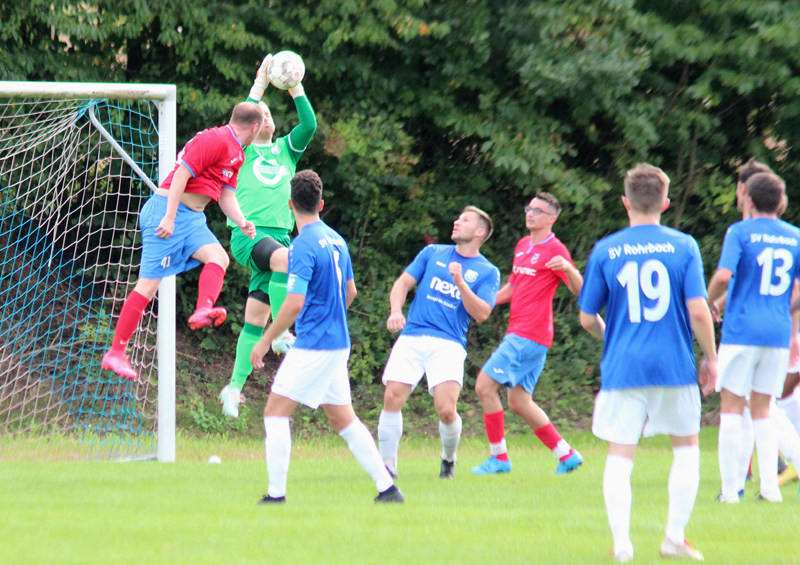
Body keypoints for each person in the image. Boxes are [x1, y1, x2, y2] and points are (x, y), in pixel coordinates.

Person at [579, 163, 717, 561]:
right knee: (687, 448)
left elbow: (587, 317)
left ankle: (622, 544)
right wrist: (711, 356)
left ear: (625, 202)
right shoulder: (684, 245)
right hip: (673, 365)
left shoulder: (606, 248)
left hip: (624, 367)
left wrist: (613, 339)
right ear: (666, 202)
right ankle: (674, 537)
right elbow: (699, 311)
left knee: (621, 454)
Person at [250, 170, 402, 504]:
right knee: (342, 418)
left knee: (274, 412)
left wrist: (265, 340)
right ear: (321, 204)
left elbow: (293, 303)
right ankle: (387, 489)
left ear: (290, 205)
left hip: (316, 344)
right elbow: (351, 291)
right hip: (338, 342)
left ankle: (276, 496)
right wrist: (328, 315)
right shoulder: (336, 240)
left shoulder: (301, 245)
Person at [101, 103, 263, 379]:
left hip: (193, 221)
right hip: (168, 213)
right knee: (149, 286)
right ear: (255, 128)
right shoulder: (215, 139)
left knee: (219, 258)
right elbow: (181, 175)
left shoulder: (238, 152)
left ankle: (203, 310)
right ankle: (115, 353)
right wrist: (169, 217)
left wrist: (242, 221)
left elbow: (226, 196)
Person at [220, 53, 318, 418]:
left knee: (254, 320)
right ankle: (280, 335)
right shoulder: (239, 149)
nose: (264, 118)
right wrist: (260, 84)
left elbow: (309, 123)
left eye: (268, 115)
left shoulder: (285, 151)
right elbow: (245, 113)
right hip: (250, 236)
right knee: (288, 261)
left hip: (278, 241)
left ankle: (233, 388)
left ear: (274, 125)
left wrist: (295, 86)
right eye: (259, 116)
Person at [377, 207, 500, 480]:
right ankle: (387, 467)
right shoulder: (432, 253)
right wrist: (396, 311)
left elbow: (481, 313)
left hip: (448, 344)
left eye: (465, 220)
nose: (456, 221)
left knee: (446, 411)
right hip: (412, 335)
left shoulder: (488, 272)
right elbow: (402, 284)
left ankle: (448, 459)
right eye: (458, 217)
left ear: (480, 232)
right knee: (392, 396)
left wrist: (460, 283)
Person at [471, 193, 583, 476]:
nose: (530, 213)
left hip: (528, 334)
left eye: (537, 210)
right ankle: (565, 454)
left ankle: (499, 458)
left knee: (484, 386)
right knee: (519, 401)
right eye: (528, 208)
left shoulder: (555, 250)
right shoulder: (522, 245)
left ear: (551, 219)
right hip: (527, 335)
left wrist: (569, 268)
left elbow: (581, 292)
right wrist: (483, 303)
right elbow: (513, 288)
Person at [707, 171, 800, 504]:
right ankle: (770, 489)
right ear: (781, 201)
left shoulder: (740, 232)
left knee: (731, 407)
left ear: (748, 198)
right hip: (776, 332)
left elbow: (723, 275)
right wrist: (783, 309)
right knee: (763, 408)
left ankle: (731, 491)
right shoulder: (794, 236)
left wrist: (707, 302)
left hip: (742, 330)